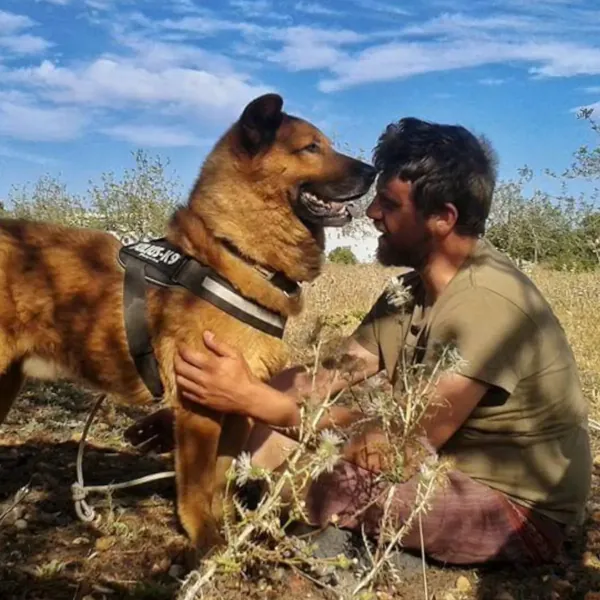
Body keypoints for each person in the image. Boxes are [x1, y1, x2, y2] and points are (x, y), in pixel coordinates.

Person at [125, 117, 591, 566]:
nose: (370, 214)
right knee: (270, 429)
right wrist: (214, 407)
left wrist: (251, 400)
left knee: (320, 474)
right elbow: (324, 377)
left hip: (512, 510)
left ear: (442, 219)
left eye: (388, 204)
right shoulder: (410, 291)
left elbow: (394, 449)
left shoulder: (486, 305)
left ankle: (337, 543)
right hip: (439, 466)